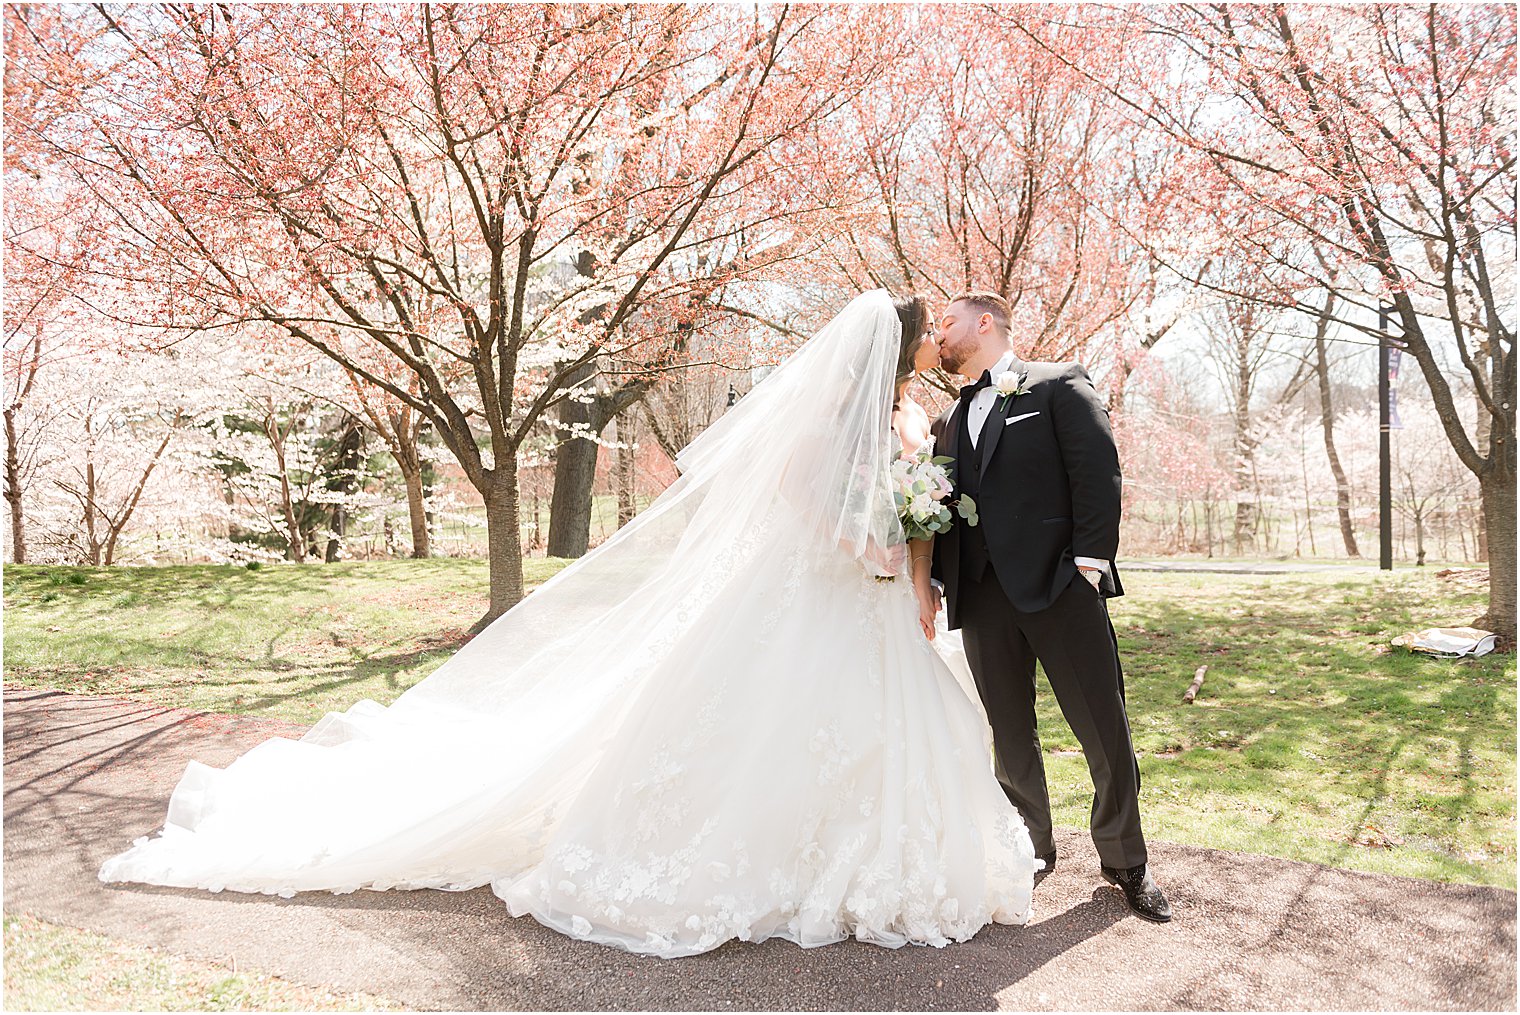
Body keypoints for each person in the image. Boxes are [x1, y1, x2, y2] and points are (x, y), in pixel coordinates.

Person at [99, 290, 1039, 958]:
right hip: (823, 594)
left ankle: (876, 862)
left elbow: (915, 508)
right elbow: (804, 493)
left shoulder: (908, 417)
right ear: (895, 345)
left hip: (877, 610)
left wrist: (907, 571)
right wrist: (858, 545)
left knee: (891, 735)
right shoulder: (832, 420)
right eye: (925, 335)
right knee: (775, 723)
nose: (933, 344)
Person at [926, 291, 1171, 923]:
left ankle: (1124, 860)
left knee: (1102, 729)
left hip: (1060, 590)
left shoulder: (1059, 385)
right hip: (980, 598)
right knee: (1010, 735)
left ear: (986, 324)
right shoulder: (950, 420)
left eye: (947, 322)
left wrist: (1088, 567)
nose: (939, 332)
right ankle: (1031, 850)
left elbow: (1098, 473)